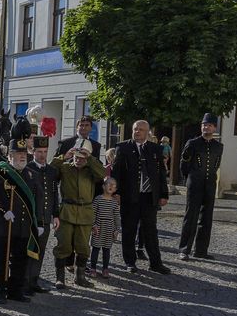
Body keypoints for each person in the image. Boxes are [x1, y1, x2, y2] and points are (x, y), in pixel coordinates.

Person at [0, 134, 47, 303]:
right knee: (2, 259)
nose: (22, 156)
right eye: (18, 154)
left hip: (24, 225)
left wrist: (39, 222)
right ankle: (0, 289)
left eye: (24, 154)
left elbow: (39, 200)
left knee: (21, 259)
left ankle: (16, 290)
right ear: (10, 156)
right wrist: (3, 210)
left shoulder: (32, 175)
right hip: (6, 225)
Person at [112, 120, 170, 274]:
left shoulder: (155, 149)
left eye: (141, 130)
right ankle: (130, 262)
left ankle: (155, 263)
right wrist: (115, 192)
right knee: (129, 230)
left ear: (147, 132)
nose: (137, 132)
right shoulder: (123, 147)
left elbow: (161, 174)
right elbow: (116, 172)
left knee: (151, 231)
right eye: (135, 129)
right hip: (130, 196)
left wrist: (164, 194)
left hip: (149, 197)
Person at [50, 140, 106, 288]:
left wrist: (91, 158)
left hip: (85, 213)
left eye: (82, 157)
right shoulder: (65, 167)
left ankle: (80, 277)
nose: (78, 160)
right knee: (64, 246)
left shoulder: (91, 169)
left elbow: (102, 174)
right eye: (76, 156)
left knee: (83, 247)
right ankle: (60, 278)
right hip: (67, 212)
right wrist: (63, 156)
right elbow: (49, 170)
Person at [178, 114, 223, 261]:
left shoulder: (219, 146)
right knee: (191, 216)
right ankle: (184, 249)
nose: (206, 127)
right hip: (194, 183)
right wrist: (189, 179)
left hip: (210, 184)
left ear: (214, 128)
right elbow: (184, 164)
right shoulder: (193, 143)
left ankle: (201, 250)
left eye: (209, 125)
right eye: (204, 125)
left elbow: (216, 164)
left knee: (207, 217)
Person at [24, 137, 61, 295]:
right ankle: (24, 284)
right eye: (39, 151)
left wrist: (56, 215)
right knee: (27, 252)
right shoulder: (27, 169)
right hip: (31, 218)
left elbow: (53, 194)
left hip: (45, 218)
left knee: (40, 252)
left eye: (45, 152)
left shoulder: (52, 171)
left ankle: (34, 282)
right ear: (33, 151)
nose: (42, 155)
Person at [88, 177, 120, 278]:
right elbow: (92, 213)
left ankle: (105, 268)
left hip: (109, 228)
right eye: (109, 184)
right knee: (96, 248)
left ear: (115, 189)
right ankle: (93, 268)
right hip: (98, 227)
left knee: (107, 250)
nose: (111, 186)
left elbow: (116, 216)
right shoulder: (98, 199)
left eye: (113, 185)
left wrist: (116, 229)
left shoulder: (114, 202)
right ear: (103, 186)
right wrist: (93, 225)